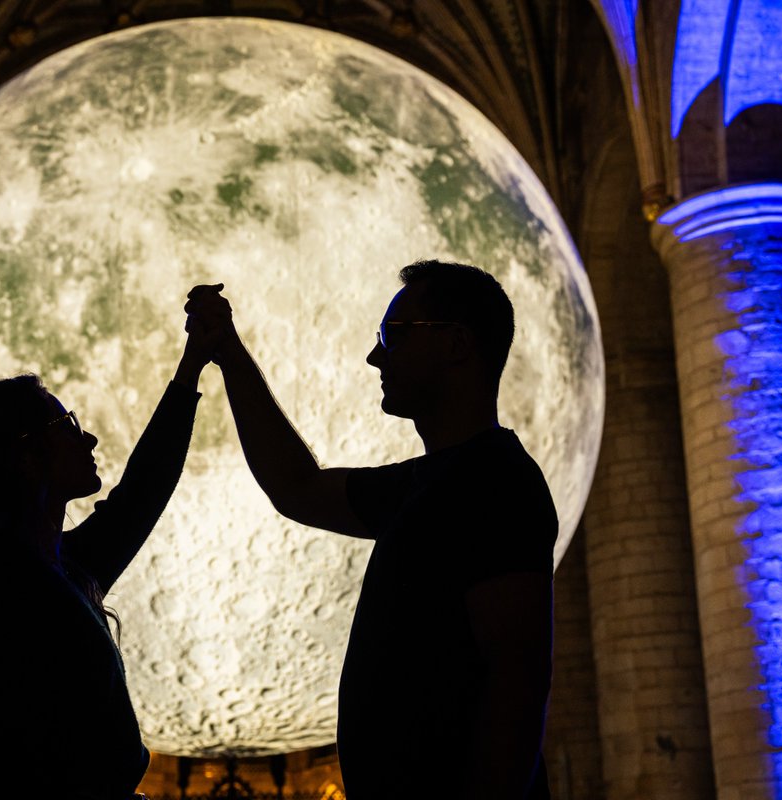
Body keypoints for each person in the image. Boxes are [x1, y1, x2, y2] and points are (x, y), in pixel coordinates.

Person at [187, 261, 556, 799]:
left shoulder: (497, 483)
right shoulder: (426, 485)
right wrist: (230, 353)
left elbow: (517, 680)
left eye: (392, 336)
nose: (375, 355)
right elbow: (297, 488)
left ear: (456, 344)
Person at [0, 308, 218, 798]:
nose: (86, 436)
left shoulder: (44, 573)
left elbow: (140, 494)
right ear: (24, 456)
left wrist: (191, 366)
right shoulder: (11, 596)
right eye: (66, 424)